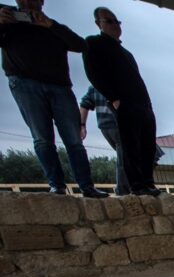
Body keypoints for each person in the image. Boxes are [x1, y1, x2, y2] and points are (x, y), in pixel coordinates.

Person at [0, 1, 107, 197]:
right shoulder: (7, 21)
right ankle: (56, 186)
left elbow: (80, 45)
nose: (28, 4)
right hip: (24, 83)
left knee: (73, 140)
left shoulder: (53, 26)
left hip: (60, 86)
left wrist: (50, 25)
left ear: (42, 2)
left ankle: (87, 186)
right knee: (42, 138)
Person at [84, 7, 159, 197]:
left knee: (147, 145)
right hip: (123, 103)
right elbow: (93, 74)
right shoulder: (94, 44)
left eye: (117, 21)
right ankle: (136, 186)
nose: (115, 25)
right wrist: (114, 98)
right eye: (109, 21)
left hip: (143, 104)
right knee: (129, 146)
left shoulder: (126, 53)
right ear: (98, 24)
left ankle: (147, 182)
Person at [79, 85, 128, 195]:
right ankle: (123, 190)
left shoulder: (94, 86)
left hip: (105, 125)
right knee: (125, 157)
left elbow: (84, 104)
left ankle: (126, 187)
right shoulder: (117, 81)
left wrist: (82, 125)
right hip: (118, 123)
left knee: (125, 156)